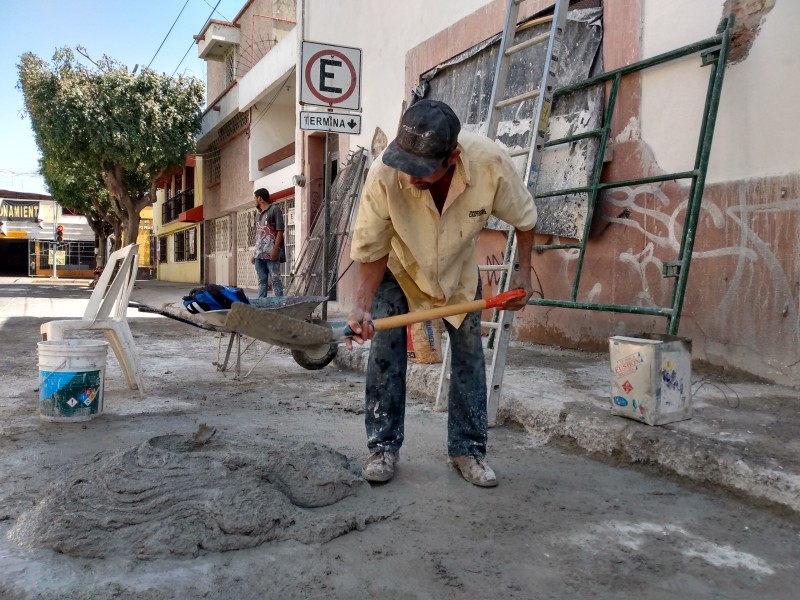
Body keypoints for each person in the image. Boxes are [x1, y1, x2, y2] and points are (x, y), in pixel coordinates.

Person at [346, 99, 537, 487]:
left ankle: (467, 449)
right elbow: (370, 249)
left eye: (422, 171)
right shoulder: (384, 174)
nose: (411, 177)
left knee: (469, 353)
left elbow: (525, 218)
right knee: (385, 351)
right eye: (405, 165)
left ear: (452, 157)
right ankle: (382, 446)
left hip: (456, 274)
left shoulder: (489, 164)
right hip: (398, 267)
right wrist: (361, 307)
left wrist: (522, 274)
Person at [251, 188, 286, 298]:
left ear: (259, 198)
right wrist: (254, 254)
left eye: (254, 198)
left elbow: (280, 231)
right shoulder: (258, 215)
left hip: (271, 254)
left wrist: (275, 250)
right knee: (262, 282)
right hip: (259, 255)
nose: (254, 201)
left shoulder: (275, 210)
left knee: (276, 280)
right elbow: (259, 236)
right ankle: (262, 307)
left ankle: (280, 305)